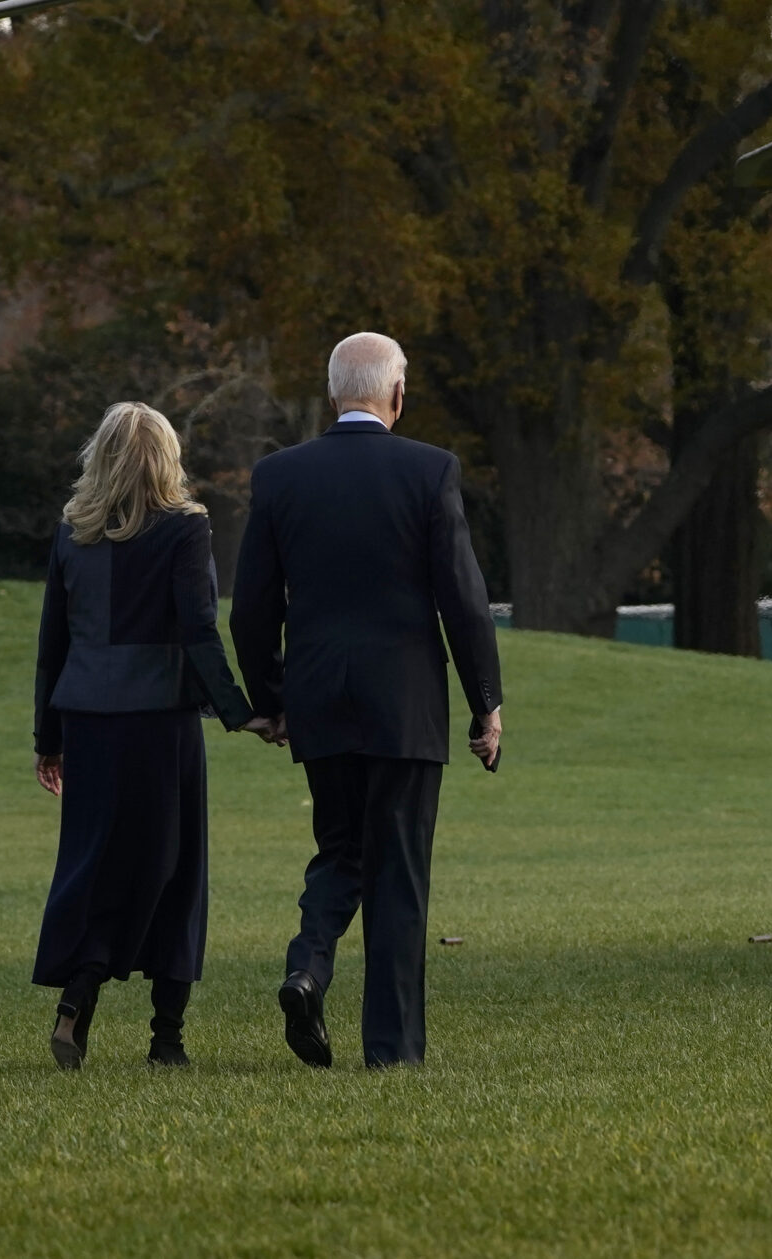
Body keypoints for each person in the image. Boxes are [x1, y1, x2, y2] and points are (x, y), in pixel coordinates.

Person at [232, 332, 503, 1069]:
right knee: (399, 874)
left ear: (331, 396)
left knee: (341, 849)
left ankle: (307, 967)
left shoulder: (281, 476)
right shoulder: (429, 470)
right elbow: (466, 603)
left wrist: (274, 697)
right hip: (406, 704)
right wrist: (487, 703)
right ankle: (390, 1049)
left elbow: (251, 609)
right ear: (397, 394)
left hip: (321, 699)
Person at [32, 401, 277, 1071]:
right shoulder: (184, 529)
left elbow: (53, 643)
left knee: (96, 864)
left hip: (85, 720)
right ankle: (166, 1037)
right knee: (175, 872)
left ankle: (79, 990)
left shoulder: (71, 531)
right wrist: (242, 712)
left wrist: (46, 737)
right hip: (160, 723)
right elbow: (198, 630)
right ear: (165, 457)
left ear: (101, 454)